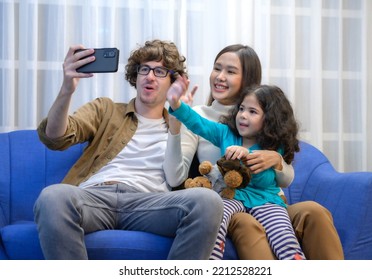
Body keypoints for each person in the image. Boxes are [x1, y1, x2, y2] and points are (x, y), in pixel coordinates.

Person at [33, 39, 224, 260]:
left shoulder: (182, 124)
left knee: (208, 202)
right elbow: (55, 138)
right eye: (144, 69)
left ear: (173, 82)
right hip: (95, 197)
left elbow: (177, 177)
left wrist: (176, 122)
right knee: (52, 196)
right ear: (136, 75)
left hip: (149, 205)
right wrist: (67, 89)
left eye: (160, 71)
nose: (150, 76)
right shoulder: (106, 109)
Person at [164, 44, 344, 259]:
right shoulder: (214, 124)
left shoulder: (267, 125)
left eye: (230, 71)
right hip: (231, 201)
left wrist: (276, 159)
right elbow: (191, 136)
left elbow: (285, 179)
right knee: (246, 223)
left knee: (314, 212)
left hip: (269, 202)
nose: (220, 77)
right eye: (217, 68)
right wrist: (175, 106)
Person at [167, 82, 306, 260]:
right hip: (231, 196)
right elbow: (198, 123)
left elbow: (263, 180)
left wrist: (247, 154)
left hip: (265, 199)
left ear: (270, 120)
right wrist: (176, 105)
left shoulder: (273, 146)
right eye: (241, 109)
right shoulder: (225, 133)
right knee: (214, 219)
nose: (243, 115)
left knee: (284, 239)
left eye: (252, 112)